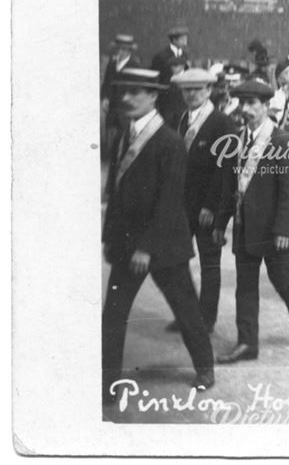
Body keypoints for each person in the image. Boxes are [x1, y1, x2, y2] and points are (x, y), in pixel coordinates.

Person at [102, 68, 214, 403]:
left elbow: (169, 202)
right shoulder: (125, 133)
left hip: (164, 245)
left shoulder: (169, 141)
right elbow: (117, 192)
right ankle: (108, 382)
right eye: (124, 92)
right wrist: (110, 237)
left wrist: (146, 249)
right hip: (126, 243)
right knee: (113, 315)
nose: (126, 98)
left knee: (186, 311)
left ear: (153, 96)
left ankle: (205, 368)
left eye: (136, 92)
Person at [213, 80, 289, 364]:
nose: (245, 109)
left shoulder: (283, 141)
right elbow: (228, 186)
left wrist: (283, 228)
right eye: (242, 104)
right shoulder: (237, 140)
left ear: (267, 106)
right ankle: (247, 342)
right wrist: (221, 223)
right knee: (245, 285)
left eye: (252, 104)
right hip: (246, 227)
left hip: (276, 229)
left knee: (282, 279)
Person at [164, 68, 238, 333]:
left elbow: (224, 170)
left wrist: (212, 207)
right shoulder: (179, 119)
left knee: (209, 265)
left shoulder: (222, 123)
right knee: (178, 264)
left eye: (197, 89)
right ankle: (187, 314)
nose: (192, 94)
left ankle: (207, 318)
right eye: (187, 90)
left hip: (206, 207)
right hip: (181, 206)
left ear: (209, 91)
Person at [101, 34, 141, 154]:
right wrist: (105, 98)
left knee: (125, 131)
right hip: (112, 105)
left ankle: (123, 153)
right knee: (112, 131)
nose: (120, 52)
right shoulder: (112, 64)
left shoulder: (134, 65)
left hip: (125, 105)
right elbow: (106, 84)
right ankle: (111, 154)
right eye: (118, 49)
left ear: (129, 51)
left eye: (124, 49)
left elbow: (136, 88)